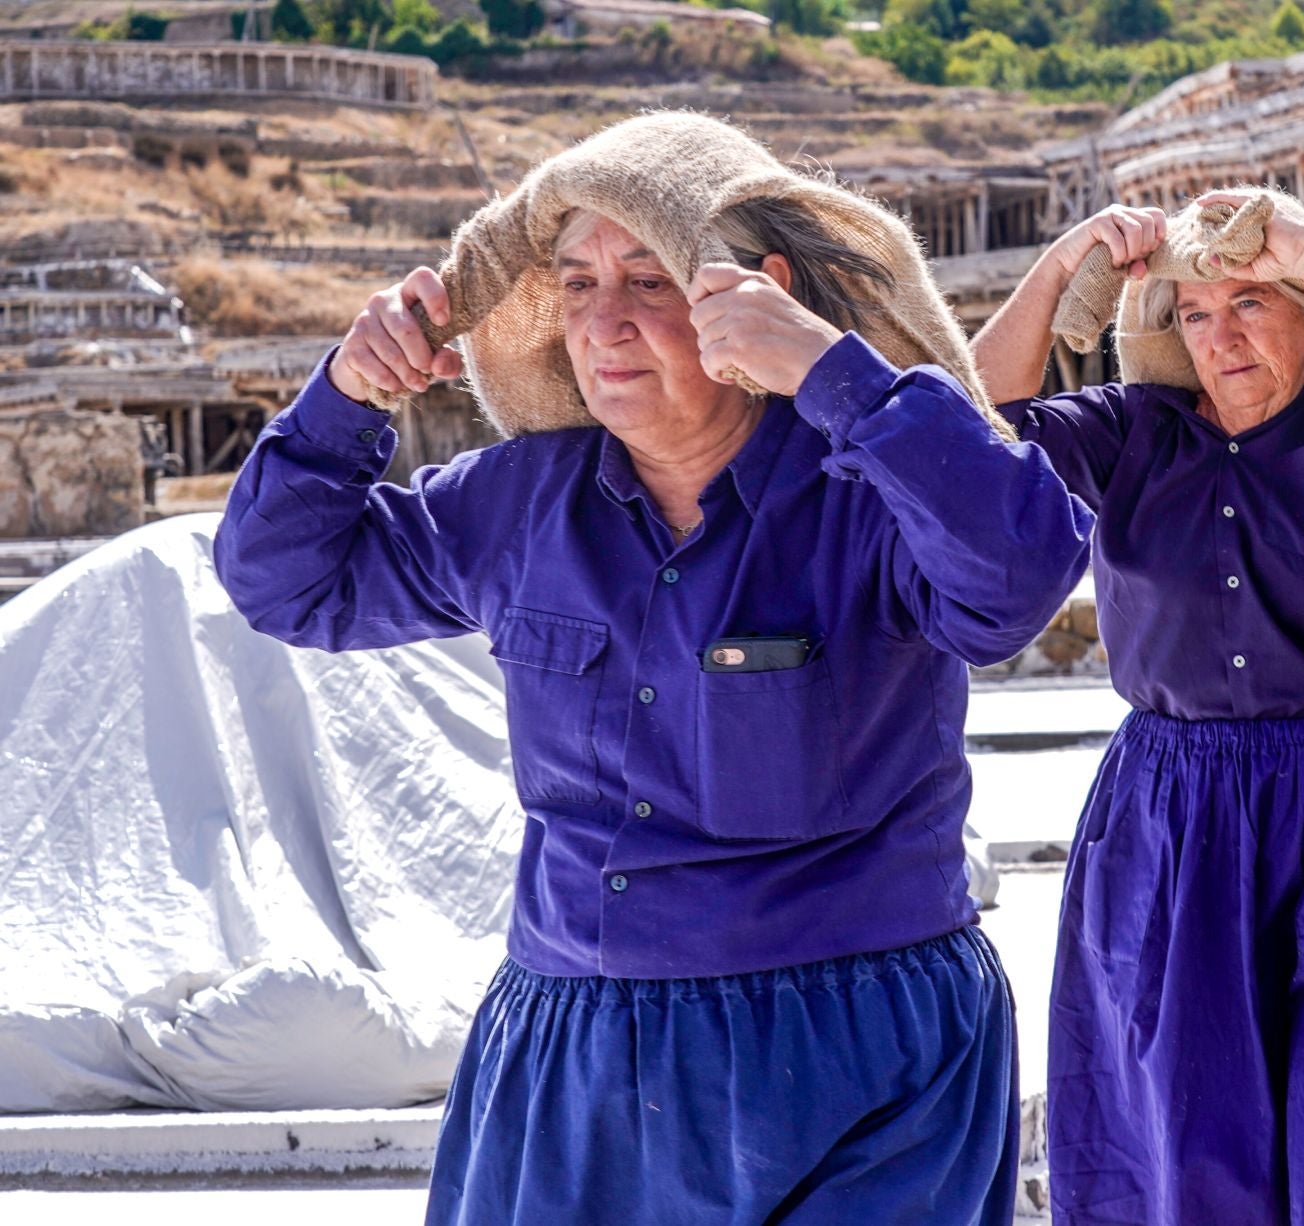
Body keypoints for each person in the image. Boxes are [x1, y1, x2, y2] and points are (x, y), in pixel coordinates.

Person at [213, 112, 1094, 1224]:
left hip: (859, 1059)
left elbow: (1018, 576)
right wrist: (345, 395)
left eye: (648, 279)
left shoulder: (868, 486)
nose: (606, 321)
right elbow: (285, 581)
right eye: (577, 283)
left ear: (754, 291)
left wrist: (837, 376)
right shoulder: (519, 502)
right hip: (573, 1062)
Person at [971, 189, 1304, 1224]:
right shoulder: (1132, 431)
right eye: (1196, 313)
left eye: (1253, 300)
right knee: (1196, 1155)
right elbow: (970, 426)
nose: (1224, 335)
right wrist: (1057, 267)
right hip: (1180, 815)